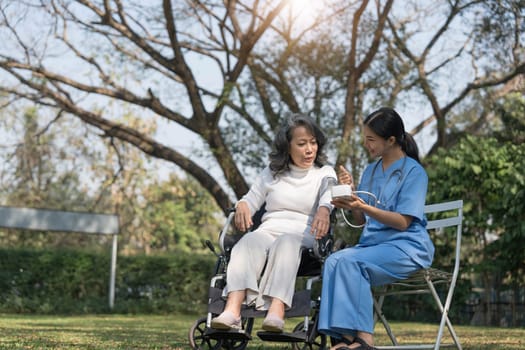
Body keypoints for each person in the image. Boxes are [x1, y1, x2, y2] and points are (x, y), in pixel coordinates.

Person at [318, 107, 434, 350]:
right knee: (334, 261)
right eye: (365, 139)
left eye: (371, 140)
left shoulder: (414, 172)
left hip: (407, 248)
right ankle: (343, 339)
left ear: (391, 140)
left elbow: (403, 222)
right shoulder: (370, 171)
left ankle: (364, 340)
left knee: (351, 263)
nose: (366, 145)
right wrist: (350, 198)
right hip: (373, 246)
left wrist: (364, 207)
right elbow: (361, 221)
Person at [210, 113, 337, 333]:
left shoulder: (324, 172)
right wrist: (242, 205)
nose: (309, 149)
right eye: (302, 144)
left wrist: (325, 209)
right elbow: (251, 198)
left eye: (313, 142)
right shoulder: (272, 172)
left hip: (304, 234)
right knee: (248, 241)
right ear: (287, 147)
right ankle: (232, 311)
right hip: (269, 230)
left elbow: (329, 192)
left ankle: (276, 311)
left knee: (286, 242)